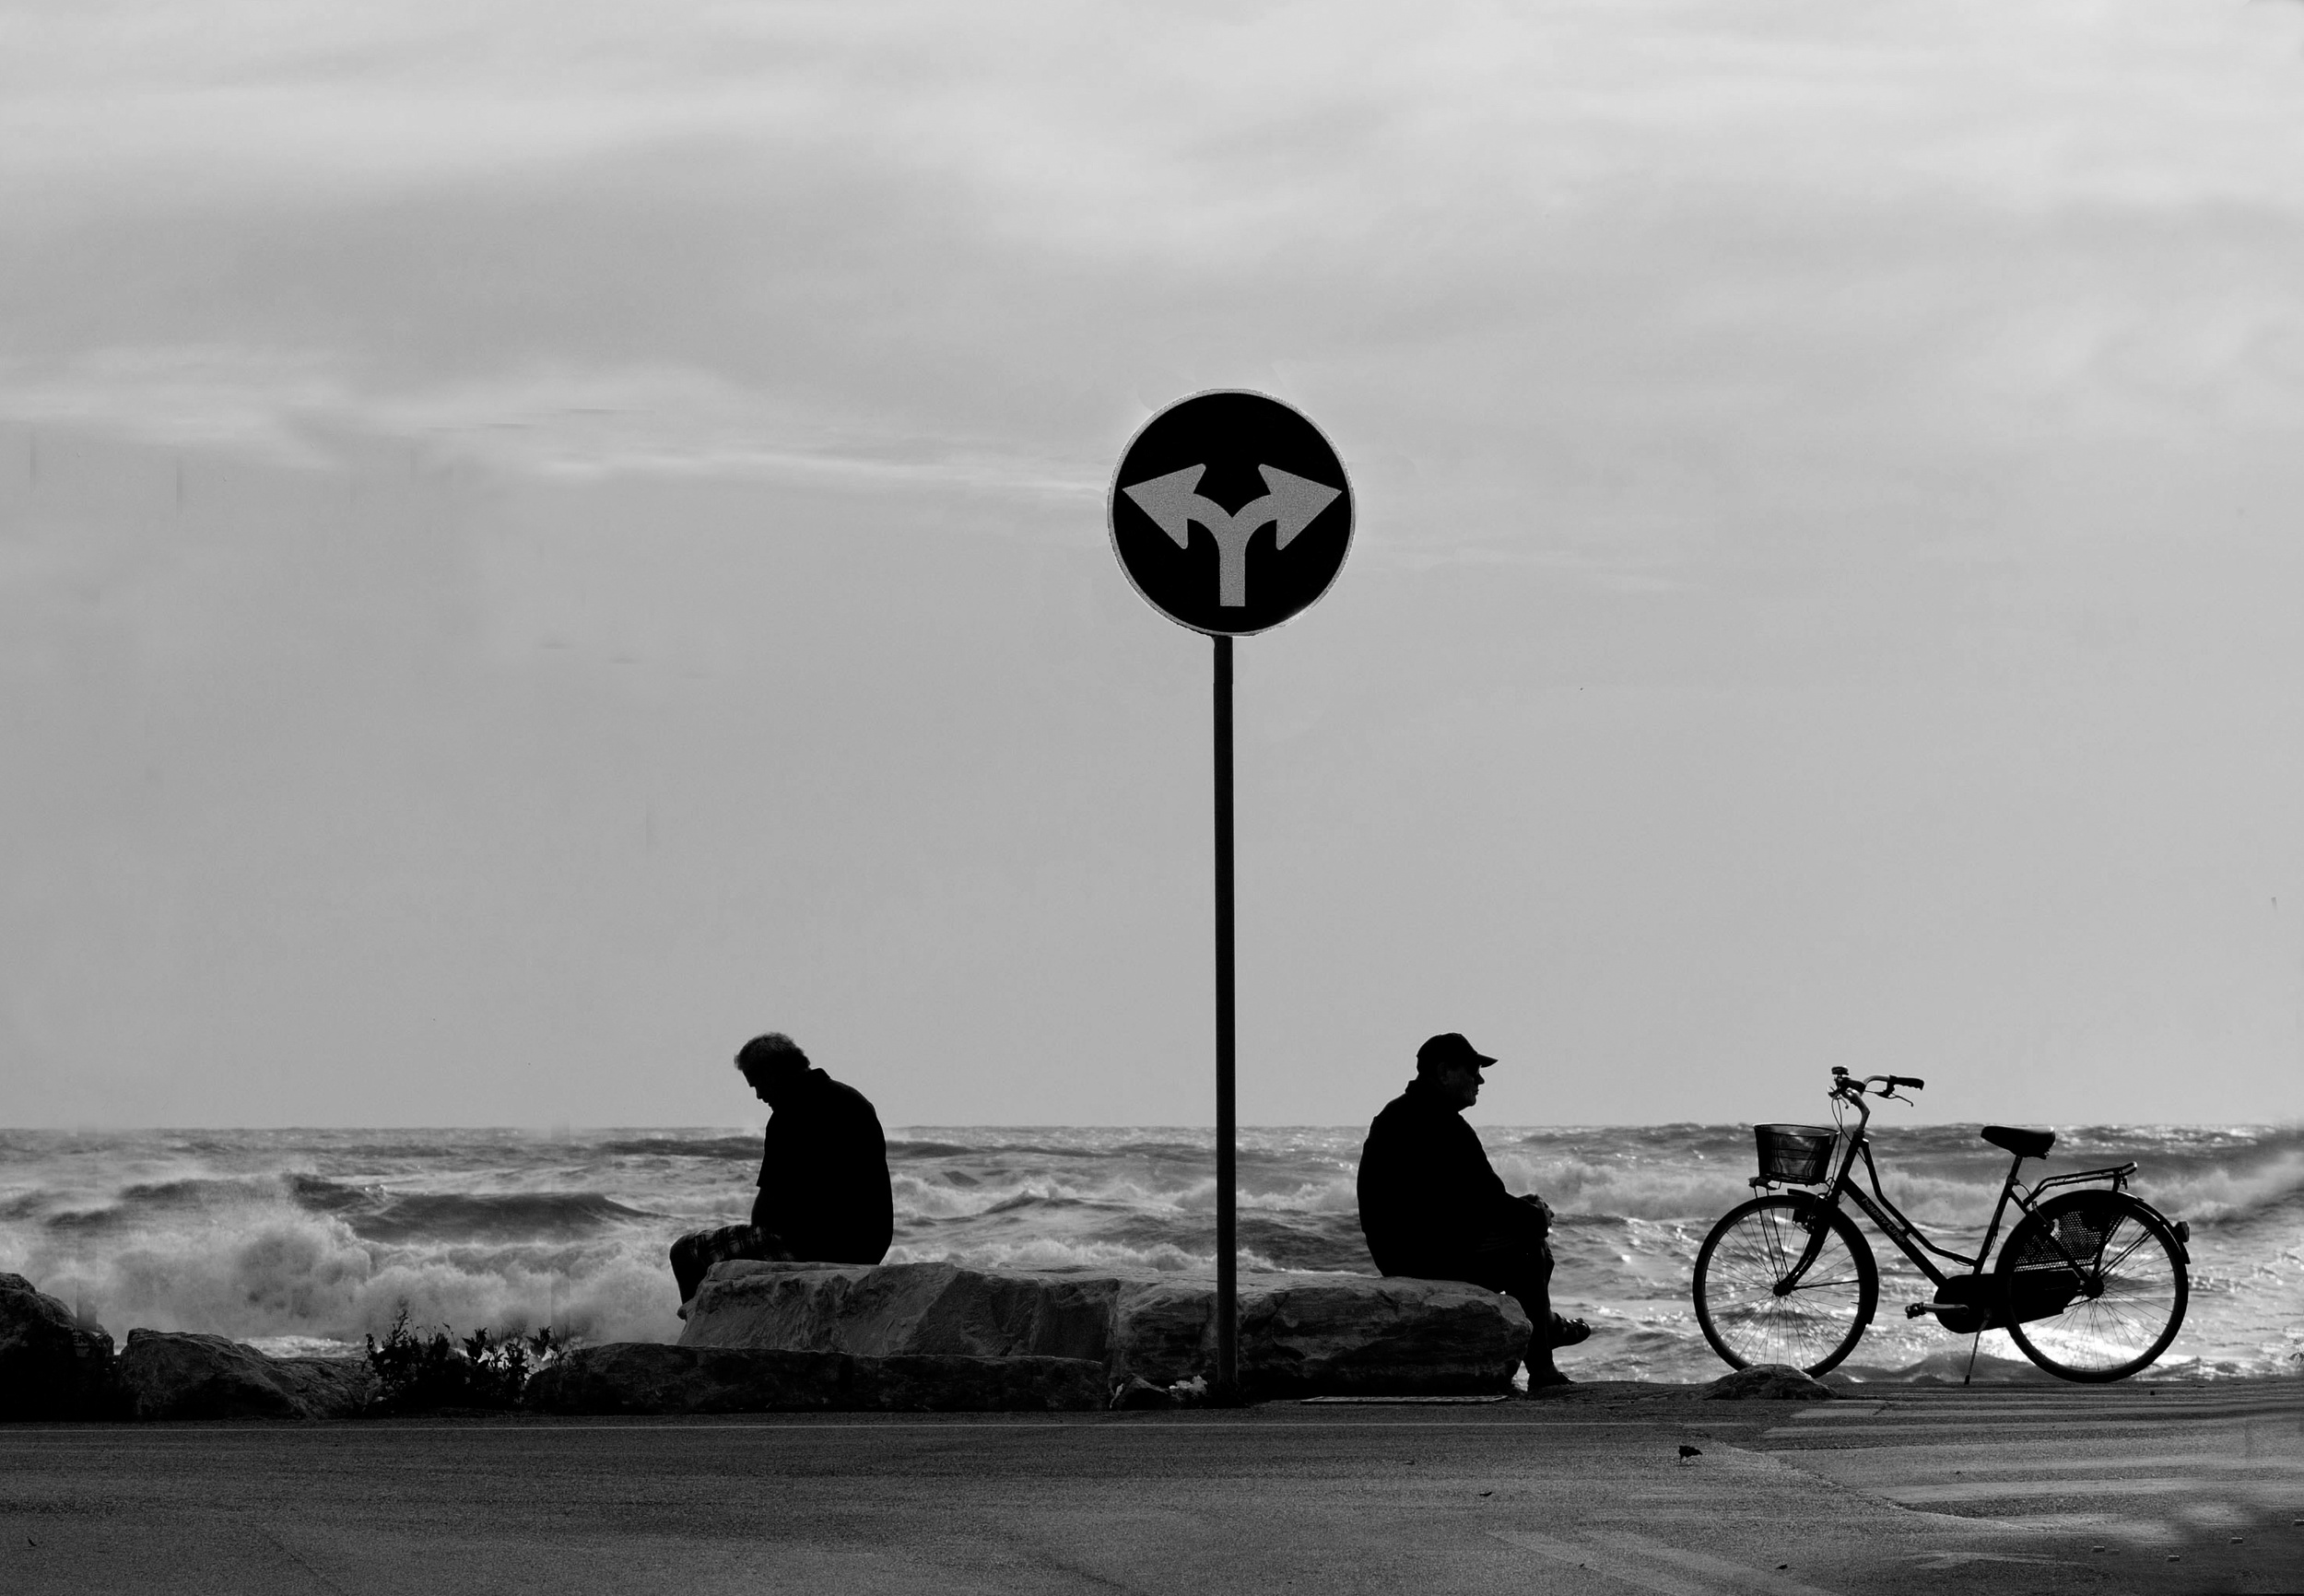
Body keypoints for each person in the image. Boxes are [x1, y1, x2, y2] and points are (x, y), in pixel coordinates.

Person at [1356, 1032, 1588, 1389]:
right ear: (1444, 1072)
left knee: (1527, 1233)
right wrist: (1537, 1216)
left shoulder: (1397, 1114)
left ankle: (1546, 1327)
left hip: (1399, 1252)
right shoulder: (1443, 1124)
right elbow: (1488, 1201)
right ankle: (1543, 1364)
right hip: (1424, 1256)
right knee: (1530, 1249)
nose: (1480, 1080)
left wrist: (1523, 1210)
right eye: (1472, 1070)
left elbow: (1468, 1198)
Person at [669, 1033, 895, 1305]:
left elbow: (766, 1213)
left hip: (813, 1248)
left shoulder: (789, 1114)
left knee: (684, 1252)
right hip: (870, 1246)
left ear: (772, 1072)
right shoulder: (854, 1100)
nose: (759, 1095)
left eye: (758, 1084)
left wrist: (759, 1236)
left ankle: (698, 1327)